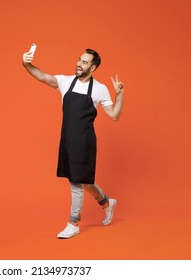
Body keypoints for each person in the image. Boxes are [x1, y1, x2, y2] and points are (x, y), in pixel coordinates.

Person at [22, 47, 124, 239]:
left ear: (93, 67)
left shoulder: (100, 89)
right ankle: (106, 203)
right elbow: (43, 76)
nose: (79, 64)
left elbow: (114, 116)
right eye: (79, 60)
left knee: (76, 183)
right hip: (67, 140)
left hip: (85, 142)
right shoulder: (65, 82)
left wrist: (119, 95)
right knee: (84, 182)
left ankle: (73, 222)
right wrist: (26, 64)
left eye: (84, 62)